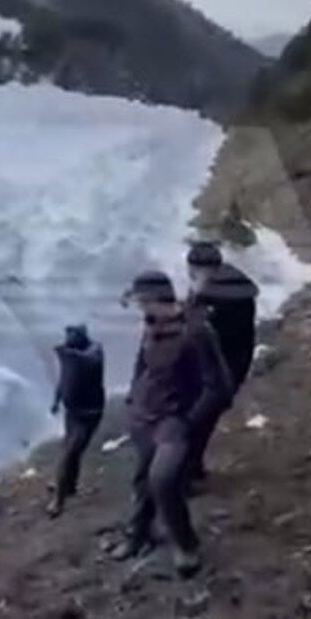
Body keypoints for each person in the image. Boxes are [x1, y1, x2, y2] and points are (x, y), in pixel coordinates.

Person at [114, 270, 232, 577]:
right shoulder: (152, 324)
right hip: (144, 415)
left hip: (174, 420)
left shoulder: (196, 331)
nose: (140, 309)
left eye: (141, 301)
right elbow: (143, 366)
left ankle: (185, 546)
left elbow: (218, 386)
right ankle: (138, 534)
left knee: (164, 480)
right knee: (142, 481)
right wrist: (131, 398)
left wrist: (189, 422)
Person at [185, 241, 259, 486]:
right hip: (234, 368)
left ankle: (185, 476)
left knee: (190, 425)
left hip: (215, 374)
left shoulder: (213, 299)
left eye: (193, 271)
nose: (190, 276)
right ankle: (193, 469)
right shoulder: (237, 289)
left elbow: (197, 336)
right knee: (203, 423)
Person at [48, 324, 106, 518]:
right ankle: (69, 486)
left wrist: (67, 355)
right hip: (71, 411)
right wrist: (56, 400)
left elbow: (88, 361)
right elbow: (64, 378)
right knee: (71, 451)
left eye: (72, 334)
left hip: (89, 413)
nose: (68, 338)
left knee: (70, 452)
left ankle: (58, 499)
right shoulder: (70, 354)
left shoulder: (94, 351)